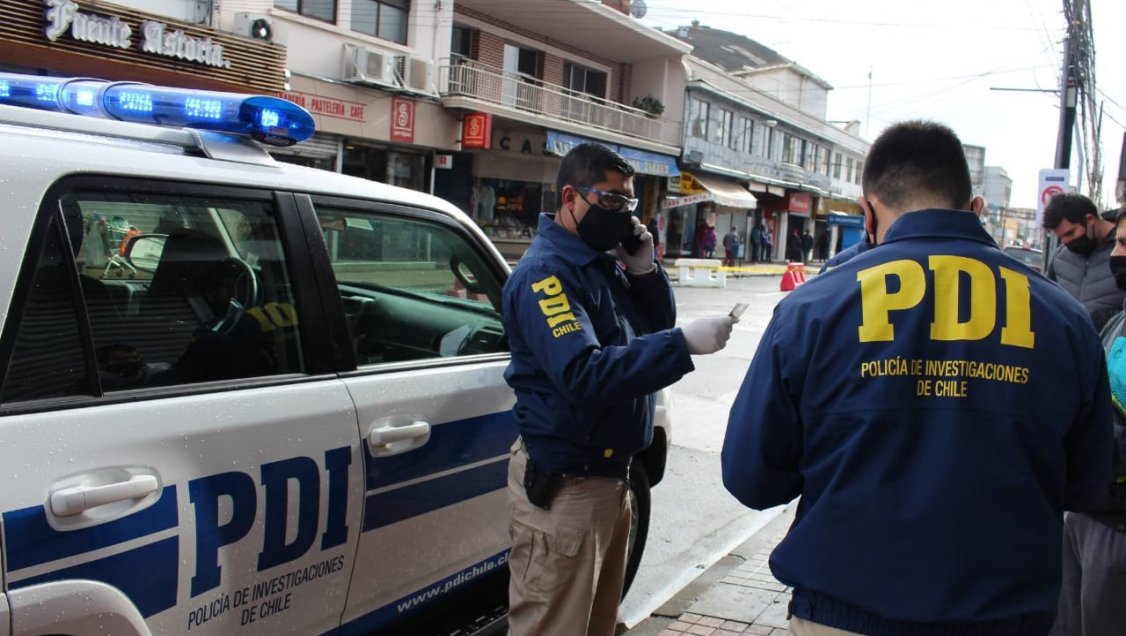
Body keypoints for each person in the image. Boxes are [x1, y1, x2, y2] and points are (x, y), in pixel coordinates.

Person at [722, 120, 1112, 636]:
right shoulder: (1064, 319)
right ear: (975, 209)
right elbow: (1087, 485)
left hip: (845, 607)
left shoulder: (813, 309)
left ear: (867, 211)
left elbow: (752, 476)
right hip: (1004, 613)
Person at [502, 142, 735, 636]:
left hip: (612, 481)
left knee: (596, 626)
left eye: (628, 202)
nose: (623, 214)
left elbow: (649, 329)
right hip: (568, 488)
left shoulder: (600, 263)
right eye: (609, 200)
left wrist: (645, 271)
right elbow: (585, 373)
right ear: (570, 197)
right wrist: (682, 344)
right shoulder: (548, 274)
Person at [1049, 206, 1126, 636]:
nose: (1118, 254)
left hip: (1116, 520)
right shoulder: (1118, 321)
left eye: (1125, 244)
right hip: (1084, 508)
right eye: (1117, 244)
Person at [1043, 192, 1125, 331]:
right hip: (1068, 346)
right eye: (1061, 237)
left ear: (1090, 219)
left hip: (1111, 346)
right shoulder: (1060, 257)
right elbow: (1046, 299)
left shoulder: (1120, 254)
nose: (1066, 242)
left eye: (1070, 233)